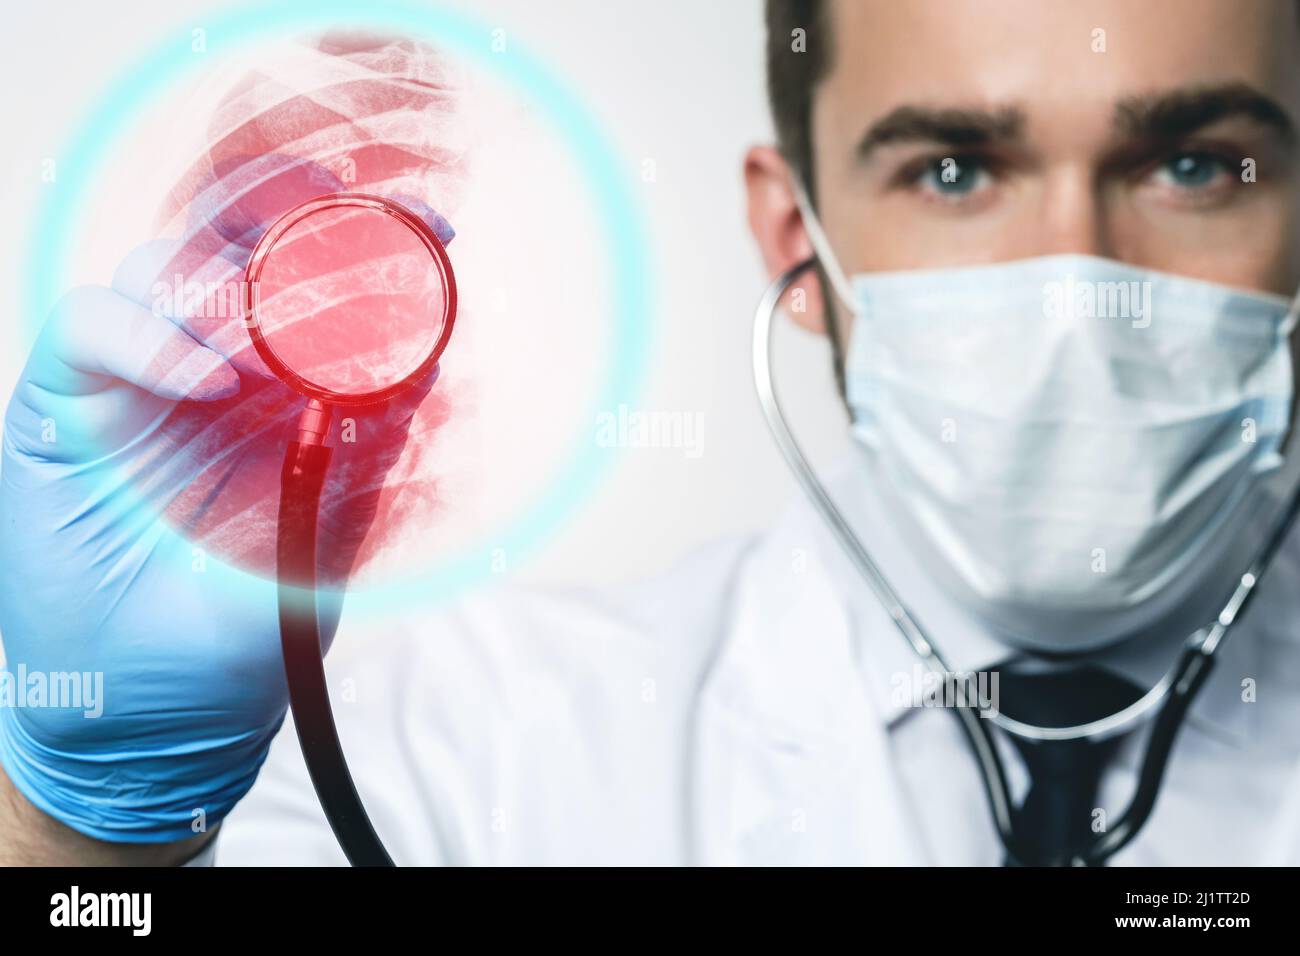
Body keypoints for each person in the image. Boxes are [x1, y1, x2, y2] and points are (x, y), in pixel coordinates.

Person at [3, 0, 1300, 866]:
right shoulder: (443, 752)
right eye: (952, 170)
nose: (1076, 284)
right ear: (796, 234)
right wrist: (92, 828)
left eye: (1193, 165)